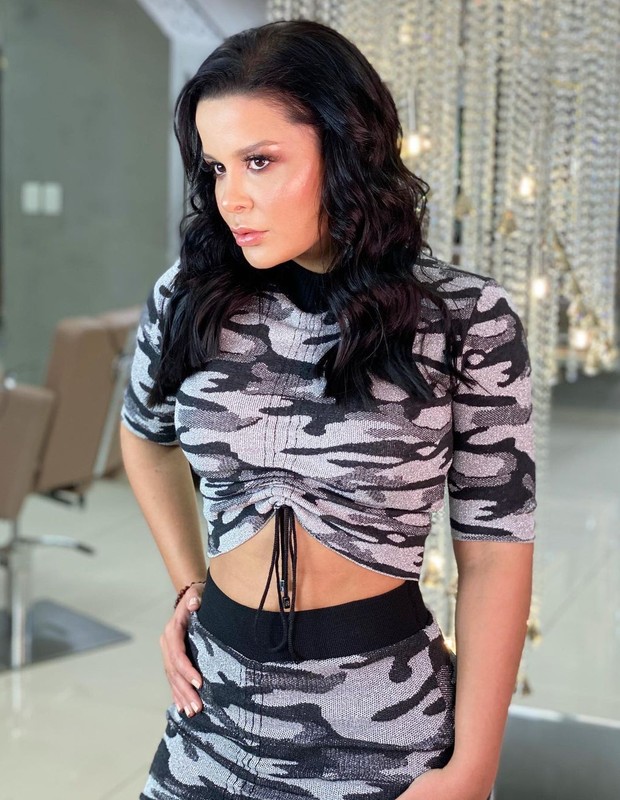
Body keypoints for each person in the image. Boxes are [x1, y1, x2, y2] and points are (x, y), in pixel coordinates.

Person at [120, 18, 536, 800]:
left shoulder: (464, 318)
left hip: (383, 729)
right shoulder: (189, 297)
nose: (231, 197)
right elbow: (143, 436)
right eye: (215, 167)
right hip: (213, 719)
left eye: (260, 161)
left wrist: (472, 768)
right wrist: (187, 585)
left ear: (346, 149)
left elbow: (494, 553)